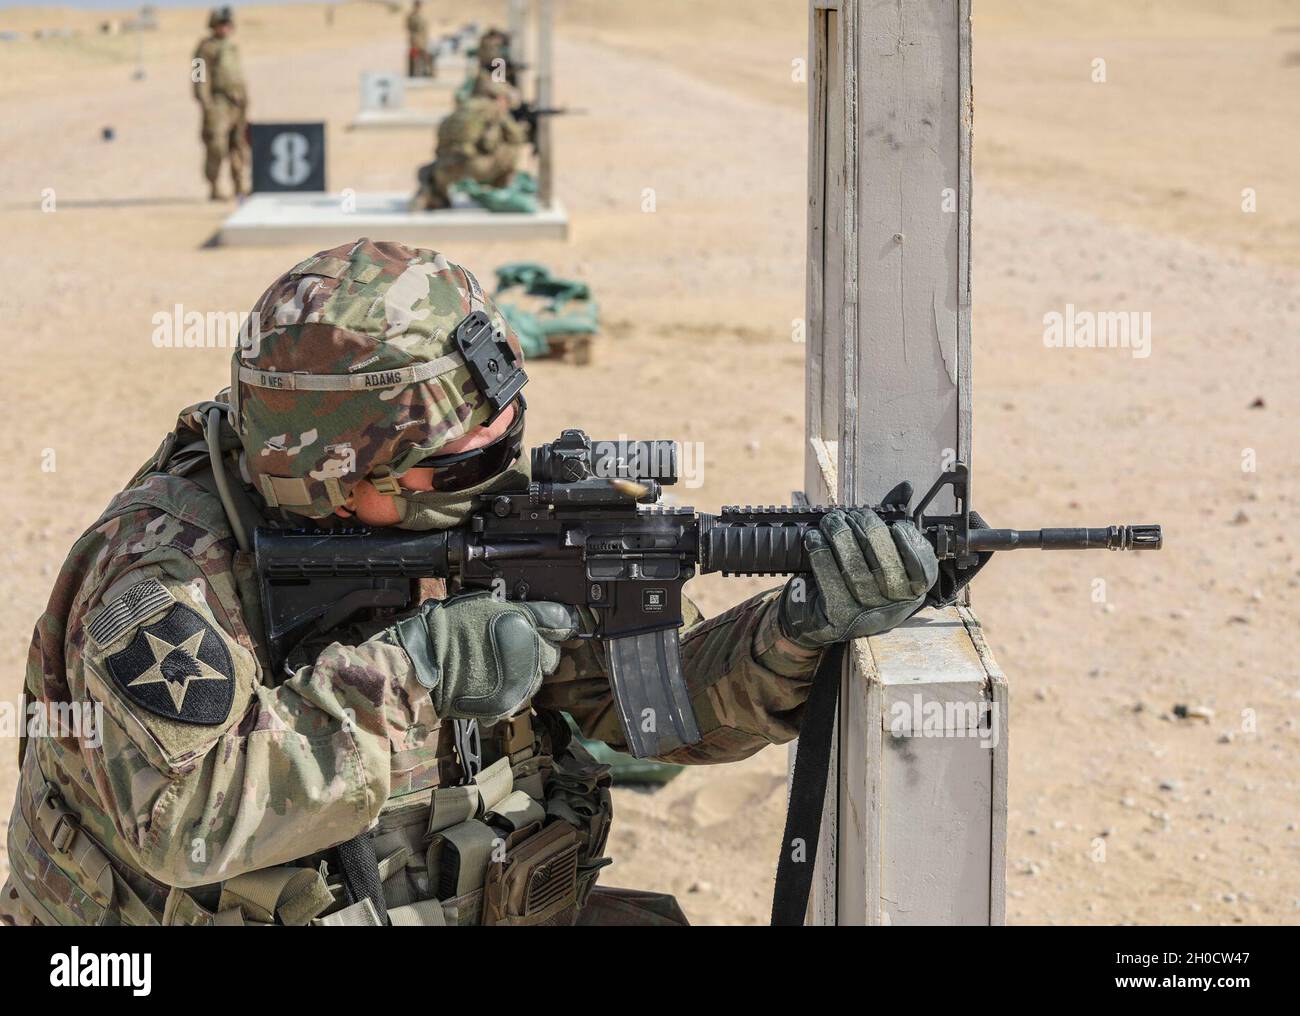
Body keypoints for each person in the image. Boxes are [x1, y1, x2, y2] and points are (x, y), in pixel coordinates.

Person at [0, 239, 937, 926]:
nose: (491, 486)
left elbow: (656, 710)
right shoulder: (159, 579)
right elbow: (186, 821)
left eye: (507, 444)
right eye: (454, 470)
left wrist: (797, 629)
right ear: (331, 476)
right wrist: (416, 671)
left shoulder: (480, 524)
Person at [412, 81, 527, 210]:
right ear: (499, 98)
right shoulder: (494, 109)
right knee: (511, 149)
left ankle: (436, 196)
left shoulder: (464, 106)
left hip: (444, 169)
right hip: (473, 169)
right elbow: (517, 137)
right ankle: (500, 191)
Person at [192, 6, 248, 201]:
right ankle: (214, 186)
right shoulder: (204, 49)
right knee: (217, 145)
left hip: (237, 102)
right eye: (221, 24)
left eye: (227, 24)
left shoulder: (232, 47)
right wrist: (205, 103)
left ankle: (240, 185)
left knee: (239, 145)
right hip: (217, 103)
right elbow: (198, 77)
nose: (224, 28)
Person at [406, 1, 432, 78]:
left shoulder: (422, 16)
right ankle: (412, 74)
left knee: (424, 56)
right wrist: (414, 39)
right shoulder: (411, 16)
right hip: (415, 40)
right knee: (414, 57)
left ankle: (426, 72)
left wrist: (425, 39)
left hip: (423, 40)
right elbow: (410, 28)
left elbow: (425, 29)